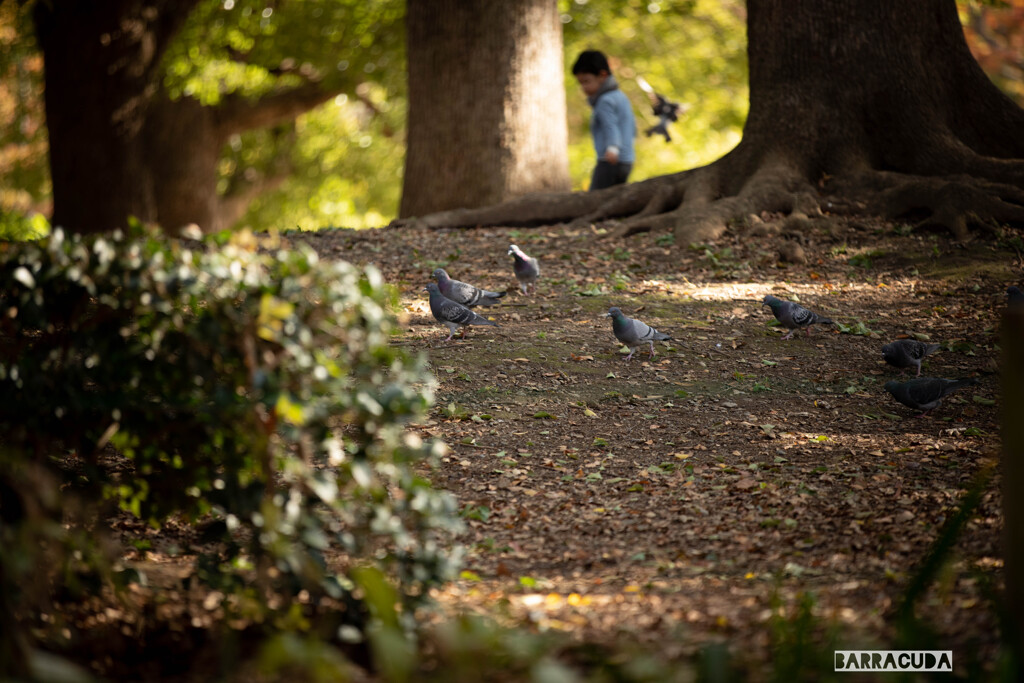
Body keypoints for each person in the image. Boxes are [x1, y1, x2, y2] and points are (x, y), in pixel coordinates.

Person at [572, 50, 637, 191]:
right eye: (580, 83)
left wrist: (613, 148)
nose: (583, 88)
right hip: (627, 160)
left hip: (610, 160)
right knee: (615, 197)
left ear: (602, 75)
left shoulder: (604, 101)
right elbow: (632, 127)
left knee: (595, 196)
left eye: (586, 81)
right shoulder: (620, 96)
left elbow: (610, 126)